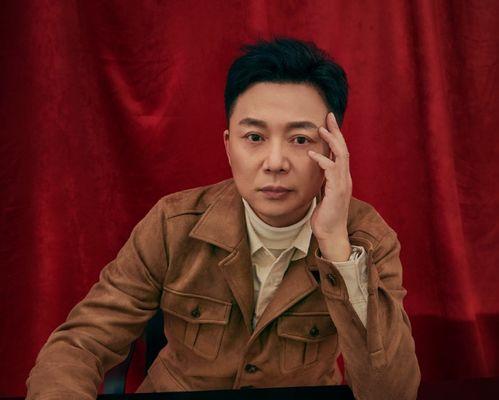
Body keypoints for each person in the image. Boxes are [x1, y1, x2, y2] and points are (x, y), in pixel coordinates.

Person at [26, 37, 421, 399]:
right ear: (229, 146)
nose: (275, 162)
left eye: (301, 139)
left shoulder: (368, 238)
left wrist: (337, 249)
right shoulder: (172, 224)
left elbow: (393, 392)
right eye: (255, 138)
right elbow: (80, 344)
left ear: (333, 152)